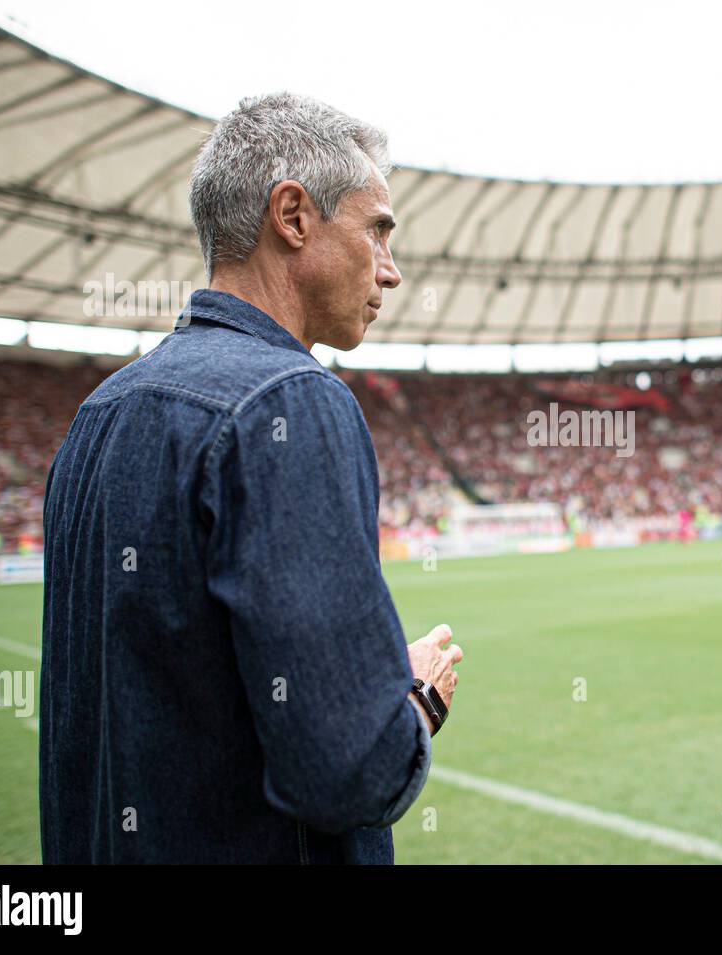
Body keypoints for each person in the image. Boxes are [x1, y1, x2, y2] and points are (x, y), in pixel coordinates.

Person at [40, 93, 462, 864]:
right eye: (377, 230)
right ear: (294, 216)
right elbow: (348, 772)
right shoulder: (292, 400)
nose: (392, 271)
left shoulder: (96, 415)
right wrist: (413, 696)